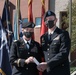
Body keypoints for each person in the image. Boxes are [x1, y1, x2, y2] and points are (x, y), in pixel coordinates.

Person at [37, 10, 71, 75]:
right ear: (44, 22)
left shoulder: (63, 34)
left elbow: (64, 53)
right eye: (47, 19)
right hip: (48, 72)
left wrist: (48, 64)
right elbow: (43, 53)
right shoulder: (43, 37)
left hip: (60, 71)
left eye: (51, 19)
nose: (49, 21)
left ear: (56, 20)